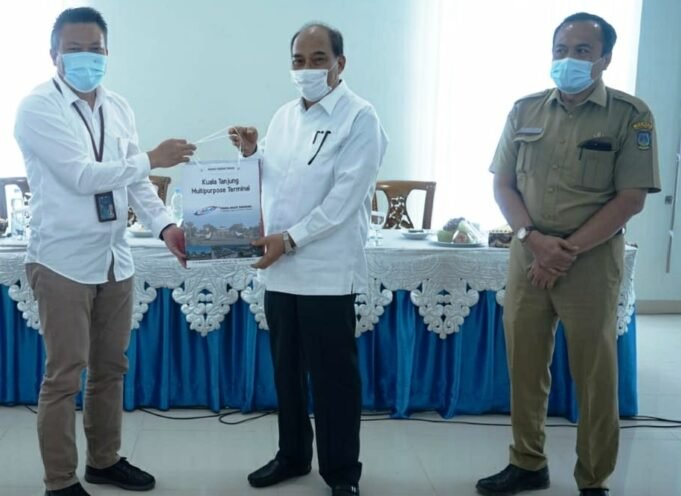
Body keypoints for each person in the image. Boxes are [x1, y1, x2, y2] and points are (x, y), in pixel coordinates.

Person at [476, 12, 660, 496]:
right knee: (525, 365)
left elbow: (631, 199)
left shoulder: (630, 115)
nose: (569, 60)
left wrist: (565, 251)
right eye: (561, 50)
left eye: (582, 51)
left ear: (605, 59)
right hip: (529, 254)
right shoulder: (525, 110)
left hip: (590, 261)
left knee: (594, 374)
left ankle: (593, 478)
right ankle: (527, 462)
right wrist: (534, 240)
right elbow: (503, 184)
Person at [13, 7, 196, 496]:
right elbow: (81, 176)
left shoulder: (118, 107)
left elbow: (135, 183)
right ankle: (59, 481)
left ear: (107, 51)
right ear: (53, 54)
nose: (86, 58)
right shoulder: (37, 108)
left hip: (115, 258)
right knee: (64, 373)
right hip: (62, 260)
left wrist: (166, 227)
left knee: (111, 368)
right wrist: (152, 158)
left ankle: (104, 460)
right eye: (74, 49)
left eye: (94, 49)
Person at [229, 22, 387, 496]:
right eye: (299, 60)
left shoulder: (361, 118)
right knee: (287, 371)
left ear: (340, 63)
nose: (307, 69)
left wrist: (291, 238)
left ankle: (341, 472)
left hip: (326, 271)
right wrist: (252, 153)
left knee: (333, 377)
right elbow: (275, 179)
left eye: (319, 59)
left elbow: (344, 199)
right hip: (280, 269)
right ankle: (293, 455)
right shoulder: (283, 117)